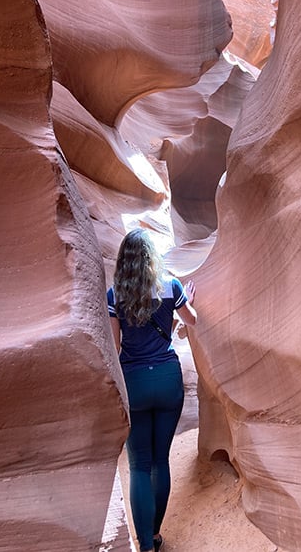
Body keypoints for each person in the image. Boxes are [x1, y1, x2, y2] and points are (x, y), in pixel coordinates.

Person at [107, 228, 197, 552]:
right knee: (161, 461)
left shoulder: (114, 295)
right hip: (168, 379)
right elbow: (193, 320)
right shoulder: (171, 287)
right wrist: (186, 301)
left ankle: (146, 545)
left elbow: (116, 346)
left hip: (135, 384)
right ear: (151, 258)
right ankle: (156, 533)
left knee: (139, 466)